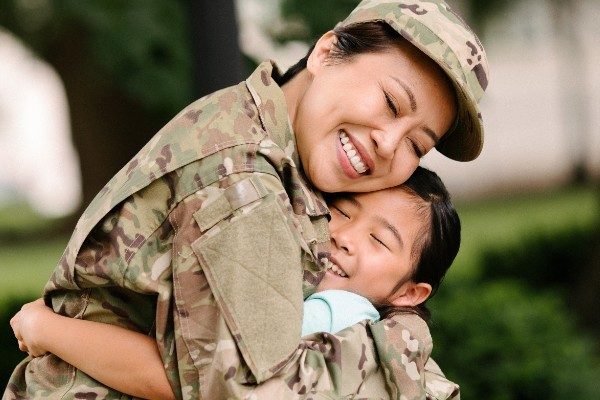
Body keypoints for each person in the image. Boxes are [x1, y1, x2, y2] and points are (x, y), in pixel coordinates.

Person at [4, 1, 488, 399]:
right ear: (326, 51)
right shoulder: (243, 180)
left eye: (416, 145)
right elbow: (248, 392)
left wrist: (404, 336)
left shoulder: (294, 154)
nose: (388, 143)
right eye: (390, 103)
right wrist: (399, 345)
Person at [11, 166, 460, 400]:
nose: (342, 237)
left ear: (409, 293)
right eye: (341, 212)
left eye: (379, 239)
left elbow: (193, 379)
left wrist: (47, 329)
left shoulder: (339, 318)